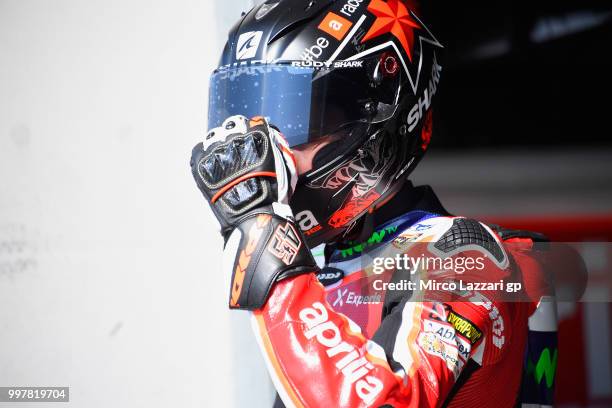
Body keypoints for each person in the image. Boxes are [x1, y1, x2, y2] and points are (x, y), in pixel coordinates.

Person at [190, 0, 558, 406]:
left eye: (294, 126)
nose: (268, 155)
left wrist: (268, 258)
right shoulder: (325, 272)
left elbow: (387, 401)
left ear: (381, 111)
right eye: (254, 130)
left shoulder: (468, 254)